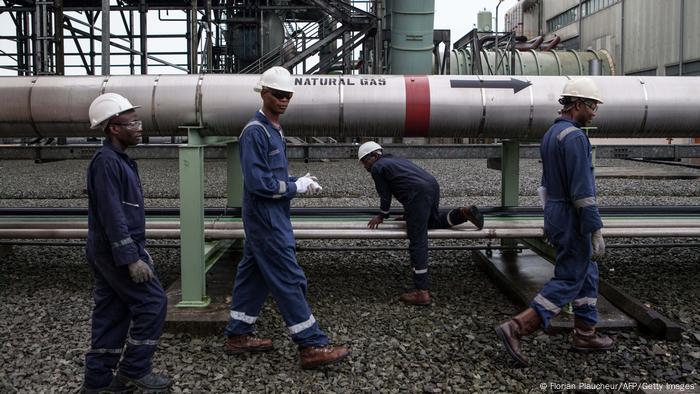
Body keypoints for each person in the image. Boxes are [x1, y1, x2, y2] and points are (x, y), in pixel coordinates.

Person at [223, 66, 350, 369]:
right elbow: (258, 183)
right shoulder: (256, 132)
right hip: (266, 218)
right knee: (289, 278)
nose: (283, 100)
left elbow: (272, 175)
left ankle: (238, 334)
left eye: (287, 95)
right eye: (278, 94)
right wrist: (296, 187)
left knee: (253, 275)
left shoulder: (273, 129)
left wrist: (296, 179)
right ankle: (311, 344)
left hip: (270, 215)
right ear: (263, 93)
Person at [495, 77, 613, 367]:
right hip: (572, 215)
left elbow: (546, 184)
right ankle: (518, 327)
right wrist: (594, 227)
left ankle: (586, 332)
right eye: (593, 106)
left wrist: (551, 219)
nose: (595, 112)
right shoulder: (575, 137)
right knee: (570, 276)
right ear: (579, 105)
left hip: (557, 212)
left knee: (587, 270)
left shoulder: (551, 134)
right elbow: (583, 191)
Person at [82, 93, 172, 393]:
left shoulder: (118, 161)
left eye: (138, 120)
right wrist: (131, 258)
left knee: (112, 312)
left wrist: (137, 250)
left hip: (110, 250)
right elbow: (112, 215)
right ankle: (135, 369)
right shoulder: (107, 163)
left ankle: (98, 382)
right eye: (130, 122)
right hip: (113, 251)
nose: (138, 127)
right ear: (112, 128)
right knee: (153, 303)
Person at [359, 142, 484, 306]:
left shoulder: (377, 168)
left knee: (417, 240)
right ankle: (462, 213)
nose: (365, 166)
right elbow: (405, 182)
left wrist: (382, 216)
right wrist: (410, 214)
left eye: (365, 161)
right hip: (431, 185)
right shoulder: (395, 160)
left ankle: (421, 291)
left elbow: (385, 195)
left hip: (417, 194)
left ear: (374, 156)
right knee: (431, 221)